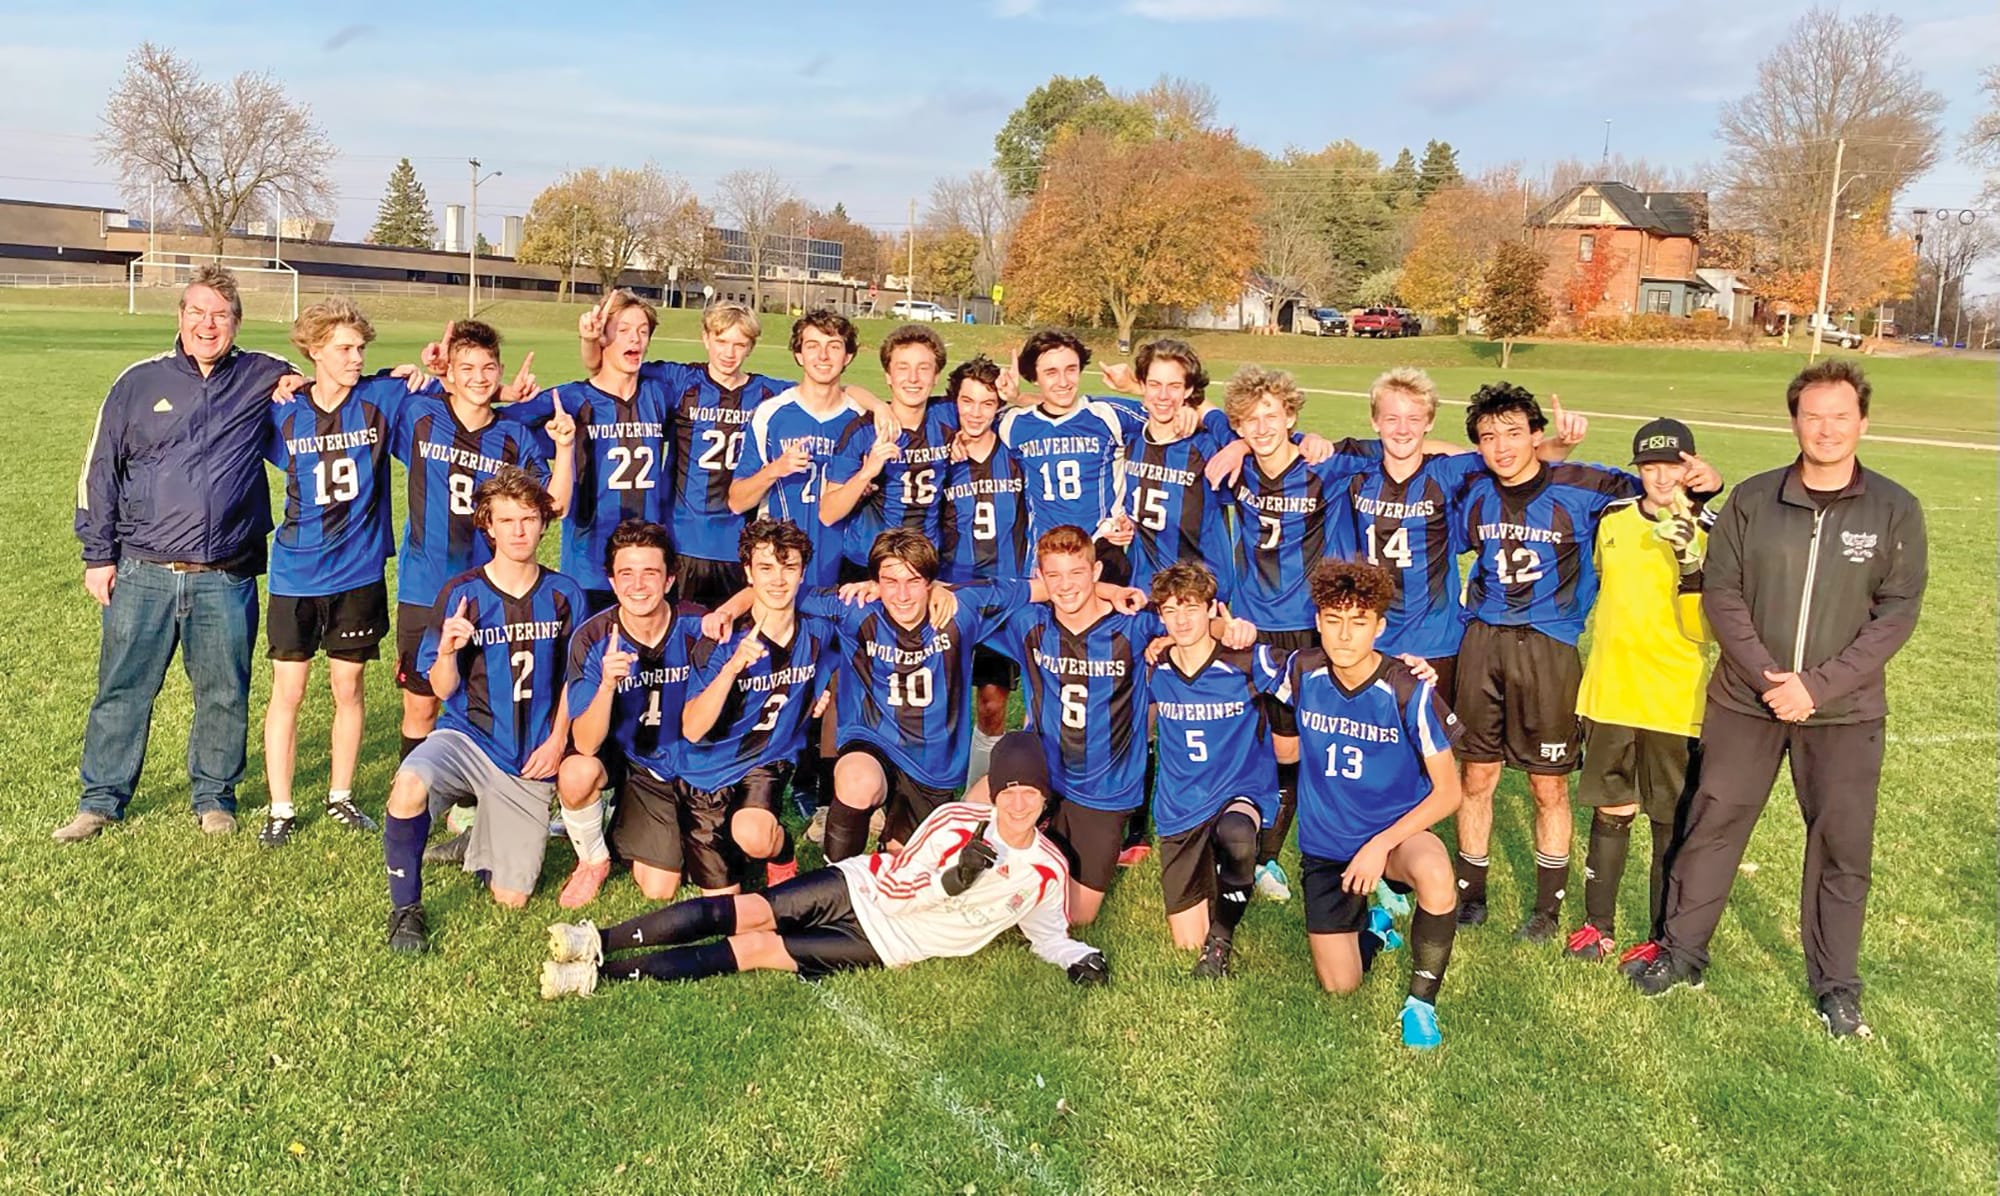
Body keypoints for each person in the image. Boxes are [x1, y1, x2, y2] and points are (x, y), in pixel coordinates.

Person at [1633, 360, 1926, 1041]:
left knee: (1842, 849)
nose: (1826, 429)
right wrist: (1769, 677)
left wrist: (1817, 685)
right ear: (1794, 421)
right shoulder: (1755, 500)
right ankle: (1682, 954)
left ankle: (1837, 986)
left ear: (1862, 422)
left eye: (1840, 416)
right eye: (1813, 415)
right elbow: (1723, 593)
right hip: (1746, 700)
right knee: (1711, 826)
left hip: (1843, 713)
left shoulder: (1894, 508)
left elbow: (1897, 613)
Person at [538, 731, 1109, 997]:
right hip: (861, 888)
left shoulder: (1047, 868)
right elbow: (904, 883)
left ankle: (595, 976)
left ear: (1043, 797)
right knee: (751, 911)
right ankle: (598, 938)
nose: (1015, 801)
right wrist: (956, 877)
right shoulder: (959, 822)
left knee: (761, 950)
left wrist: (1078, 957)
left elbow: (1046, 934)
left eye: (1027, 792)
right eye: (1006, 789)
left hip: (891, 944)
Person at [1448, 382, 1719, 942]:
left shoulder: (1592, 487)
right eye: (1489, 437)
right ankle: (1471, 893)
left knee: (1549, 785)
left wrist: (1708, 486)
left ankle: (1547, 909)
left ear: (1537, 434)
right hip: (1482, 641)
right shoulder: (1472, 488)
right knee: (1477, 776)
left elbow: (1662, 491)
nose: (1501, 447)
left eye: (1514, 433)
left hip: (1550, 649)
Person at [63, 266, 299, 842]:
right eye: (196, 311)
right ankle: (100, 800)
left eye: (219, 314)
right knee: (123, 688)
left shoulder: (262, 375)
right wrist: (99, 555)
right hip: (143, 568)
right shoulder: (138, 383)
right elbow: (101, 470)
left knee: (223, 690)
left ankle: (214, 796)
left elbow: (334, 384)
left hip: (225, 574)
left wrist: (400, 374)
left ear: (236, 323)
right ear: (180, 317)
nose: (207, 323)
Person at [980, 525, 1249, 926]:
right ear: (1040, 578)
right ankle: (1010, 850)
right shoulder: (1028, 623)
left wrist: (1230, 629)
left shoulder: (1134, 628)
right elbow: (976, 594)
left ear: (1096, 571)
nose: (1066, 586)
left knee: (1075, 917)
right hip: (1044, 774)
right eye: (1054, 575)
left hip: (1105, 790)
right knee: (972, 807)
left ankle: (1039, 852)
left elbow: (1188, 627)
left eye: (1076, 573)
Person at [382, 468, 587, 953]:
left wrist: (558, 740)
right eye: (507, 519)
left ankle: (477, 846)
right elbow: (440, 685)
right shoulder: (462, 592)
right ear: (488, 525)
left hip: (528, 757)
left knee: (511, 898)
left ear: (543, 524)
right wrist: (450, 651)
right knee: (409, 784)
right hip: (467, 740)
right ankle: (406, 910)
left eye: (529, 519)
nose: (519, 530)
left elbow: (573, 682)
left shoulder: (565, 595)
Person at [1265, 559, 1464, 1050]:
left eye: (1359, 623)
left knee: (1437, 875)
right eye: (1333, 621)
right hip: (1328, 846)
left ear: (1380, 626)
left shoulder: (1408, 689)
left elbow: (1450, 793)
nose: (1344, 635)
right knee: (1340, 987)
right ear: (1317, 622)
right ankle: (1373, 930)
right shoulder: (1300, 669)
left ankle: (1421, 1003)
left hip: (1394, 839)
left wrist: (1380, 845)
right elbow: (1230, 645)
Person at [1215, 365, 1382, 901]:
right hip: (1252, 626)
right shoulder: (1237, 467)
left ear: (1291, 415)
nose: (1262, 427)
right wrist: (1236, 448)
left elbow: (1409, 447)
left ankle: (1349, 856)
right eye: (1250, 420)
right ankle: (1260, 851)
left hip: (1311, 629)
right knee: (1267, 745)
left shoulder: (1324, 467)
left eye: (1273, 415)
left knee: (1319, 745)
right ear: (1238, 424)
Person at [256, 298, 408, 847]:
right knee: (288, 690)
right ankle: (280, 806)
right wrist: (283, 381)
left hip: (358, 572)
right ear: (314, 350)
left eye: (361, 348)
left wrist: (414, 369)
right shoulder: (283, 409)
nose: (356, 358)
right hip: (295, 572)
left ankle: (340, 796)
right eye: (344, 348)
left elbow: (450, 390)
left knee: (349, 685)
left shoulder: (380, 399)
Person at [1564, 418, 1715, 965]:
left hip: (1674, 701)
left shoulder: (1710, 528)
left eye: (1670, 467)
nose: (1659, 477)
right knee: (1611, 812)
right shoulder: (1614, 520)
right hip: (1609, 692)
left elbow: (1709, 628)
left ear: (1690, 467)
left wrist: (1690, 561)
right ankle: (1596, 926)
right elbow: (1604, 579)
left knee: (1668, 821)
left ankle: (1661, 934)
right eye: (1649, 468)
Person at [390, 321, 574, 758]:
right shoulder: (419, 414)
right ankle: (416, 799)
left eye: (488, 367)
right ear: (449, 372)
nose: (478, 377)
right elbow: (371, 387)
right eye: (466, 367)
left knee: (480, 696)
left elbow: (555, 504)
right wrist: (417, 371)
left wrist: (564, 449)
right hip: (424, 586)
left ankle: (470, 796)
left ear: (500, 371)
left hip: (489, 590)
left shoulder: (512, 436)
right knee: (421, 702)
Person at [679, 520, 840, 890]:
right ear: (748, 573)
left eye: (789, 567)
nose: (778, 579)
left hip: (767, 758)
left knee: (753, 834)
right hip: (706, 771)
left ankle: (782, 856)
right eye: (766, 568)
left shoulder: (817, 629)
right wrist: (732, 669)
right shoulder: (721, 638)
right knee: (720, 903)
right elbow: (691, 729)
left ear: (802, 573)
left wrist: (822, 692)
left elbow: (847, 645)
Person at [557, 521, 705, 908]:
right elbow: (586, 743)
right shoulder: (593, 636)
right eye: (627, 574)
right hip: (624, 756)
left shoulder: (698, 626)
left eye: (650, 573)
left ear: (670, 579)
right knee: (576, 774)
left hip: (680, 761)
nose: (638, 585)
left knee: (660, 886)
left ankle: (627, 824)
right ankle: (592, 859)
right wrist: (607, 685)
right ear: (611, 580)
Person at [1143, 562, 1277, 979]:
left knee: (1236, 835)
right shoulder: (1157, 667)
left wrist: (1402, 666)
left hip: (1239, 790)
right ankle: (1224, 877)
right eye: (1170, 610)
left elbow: (1316, 664)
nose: (1181, 619)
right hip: (1181, 804)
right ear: (1161, 617)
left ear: (1212, 610)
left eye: (1191, 608)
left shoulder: (1248, 663)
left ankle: (1221, 941)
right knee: (1185, 940)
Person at [510, 290, 675, 613]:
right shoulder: (572, 399)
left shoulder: (659, 393)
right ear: (604, 335)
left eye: (643, 331)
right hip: (589, 561)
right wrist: (550, 456)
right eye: (624, 329)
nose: (635, 338)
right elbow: (500, 422)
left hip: (649, 559)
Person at [936, 355, 1031, 784]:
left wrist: (1020, 397)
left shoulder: (1017, 454)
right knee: (939, 702)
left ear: (999, 406)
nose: (975, 412)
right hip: (949, 597)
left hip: (1003, 598)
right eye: (966, 401)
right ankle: (927, 789)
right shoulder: (938, 452)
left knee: (992, 704)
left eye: (986, 403)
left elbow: (1048, 415)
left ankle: (977, 795)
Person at [731, 310, 871, 591]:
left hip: (842, 568)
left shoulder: (863, 419)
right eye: (812, 346)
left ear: (848, 357)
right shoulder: (771, 414)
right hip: (780, 568)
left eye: (834, 347)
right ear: (798, 355)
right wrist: (774, 470)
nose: (823, 356)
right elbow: (736, 501)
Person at [820, 323, 961, 574]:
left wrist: (967, 438)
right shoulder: (862, 430)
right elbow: (828, 513)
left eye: (923, 368)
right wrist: (866, 472)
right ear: (888, 375)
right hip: (867, 564)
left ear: (936, 375)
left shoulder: (948, 416)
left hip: (924, 563)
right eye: (902, 368)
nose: (913, 378)